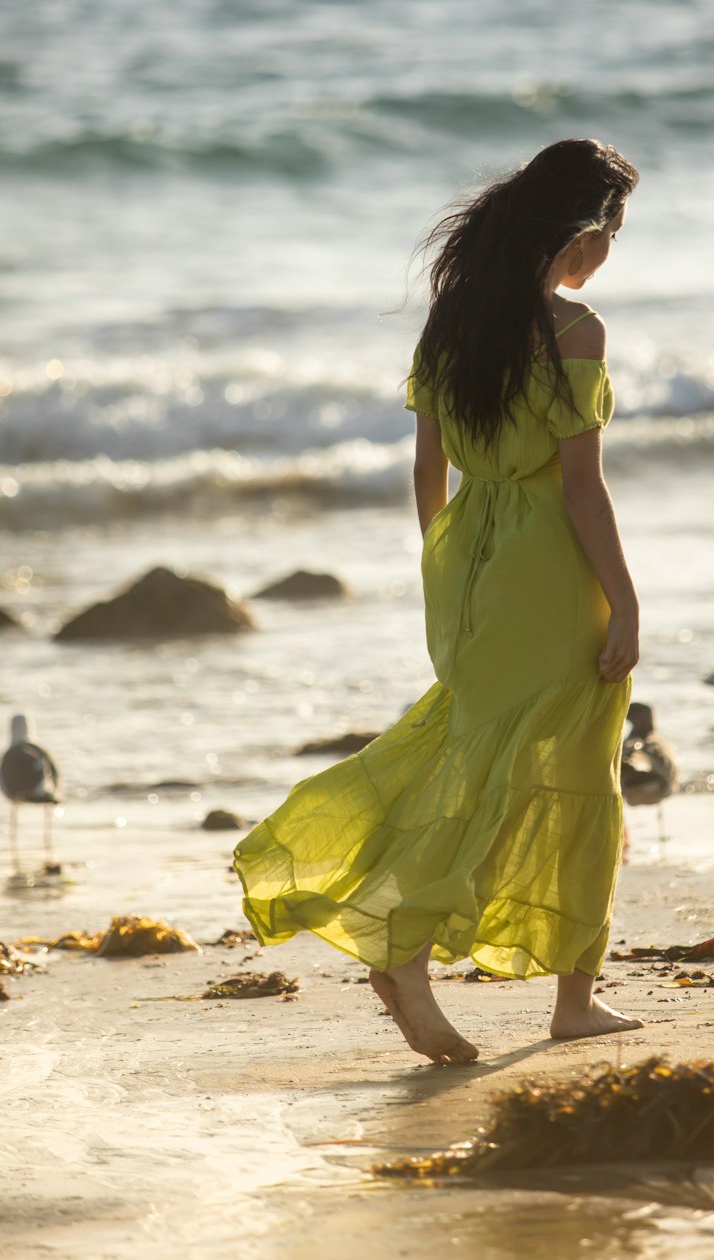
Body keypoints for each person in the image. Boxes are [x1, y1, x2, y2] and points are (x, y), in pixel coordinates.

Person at [234, 138, 643, 1064]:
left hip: (466, 563)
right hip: (547, 567)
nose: (613, 250)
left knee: (477, 751)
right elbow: (584, 489)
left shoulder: (453, 321)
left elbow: (430, 469)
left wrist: (447, 567)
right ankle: (451, 960)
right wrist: (624, 600)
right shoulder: (575, 332)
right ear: (585, 233)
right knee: (576, 763)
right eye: (615, 230)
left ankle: (484, 967)